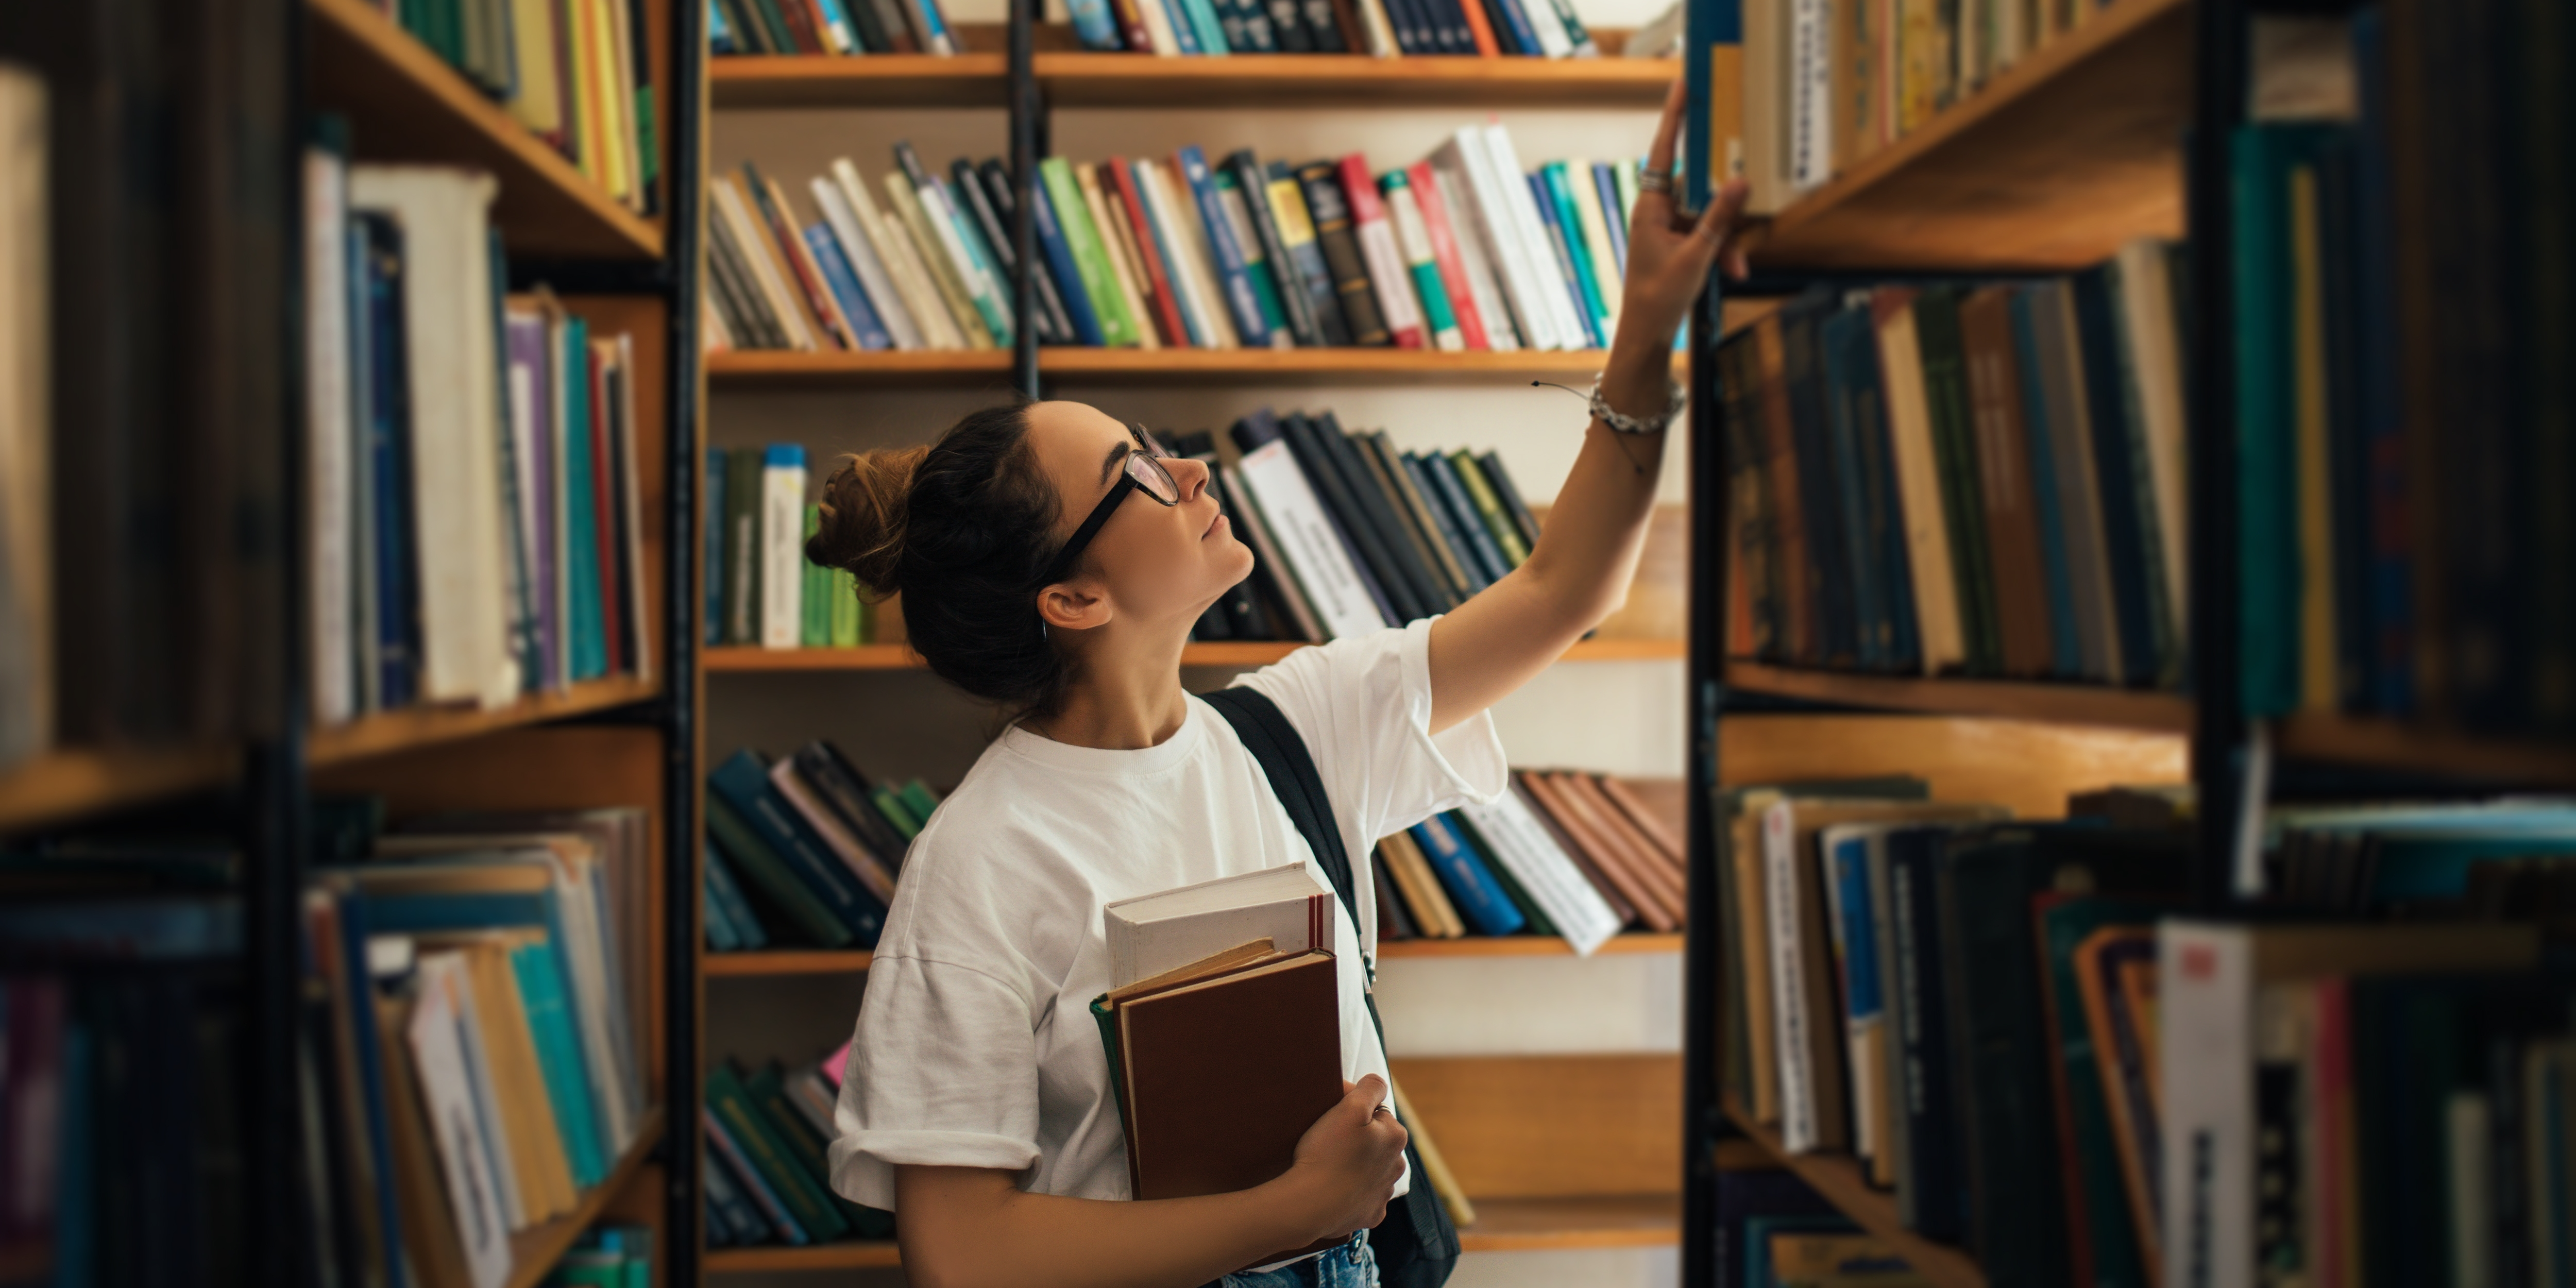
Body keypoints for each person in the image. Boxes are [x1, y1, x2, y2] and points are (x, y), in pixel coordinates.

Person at [809, 84, 1751, 1288]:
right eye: (1137, 472)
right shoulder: (981, 858)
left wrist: (1648, 328)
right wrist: (1293, 1208)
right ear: (1074, 598)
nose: (1190, 466)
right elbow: (962, 1250)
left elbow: (1561, 590)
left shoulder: (1293, 727)